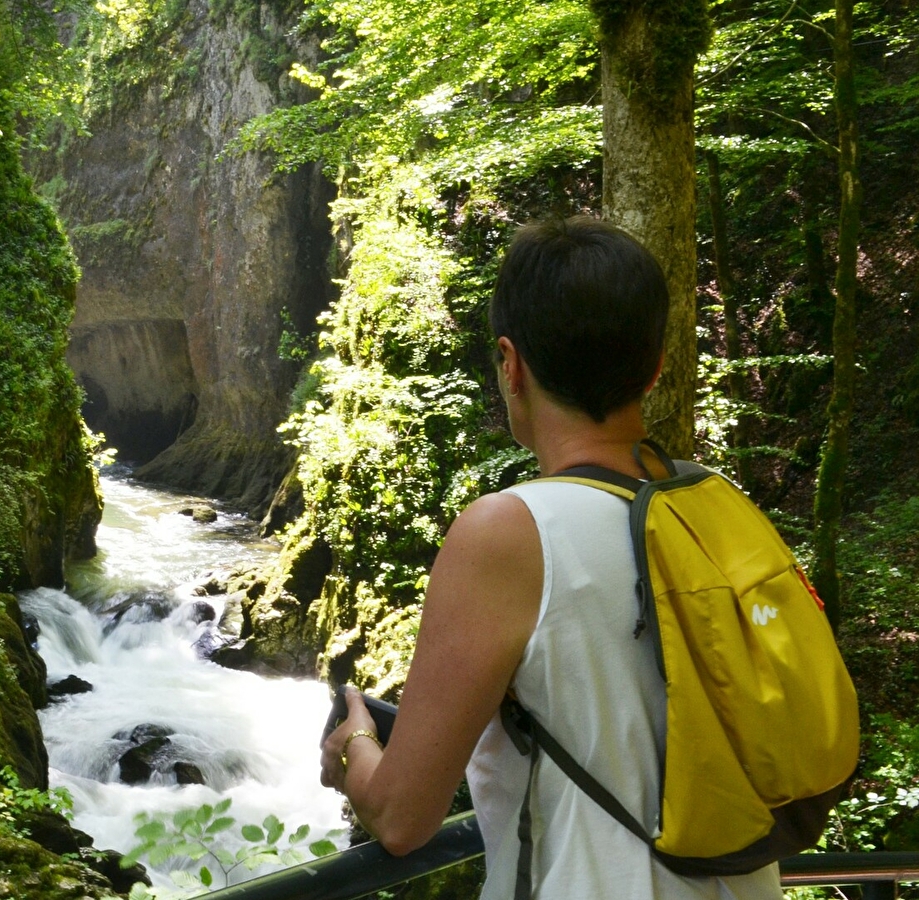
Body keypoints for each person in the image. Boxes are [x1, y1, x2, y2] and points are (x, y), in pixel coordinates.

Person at [318, 216, 781, 899]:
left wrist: (354, 742)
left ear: (510, 363)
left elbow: (400, 817)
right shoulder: (713, 504)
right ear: (653, 366)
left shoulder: (506, 533)